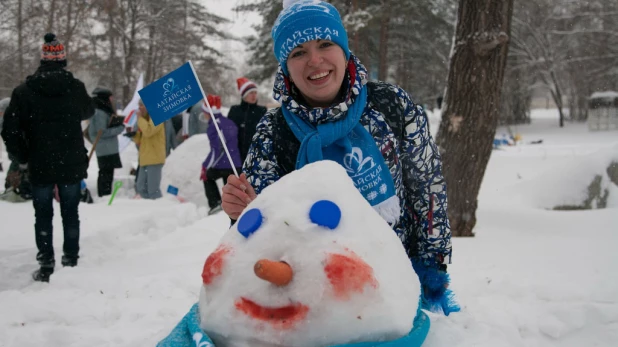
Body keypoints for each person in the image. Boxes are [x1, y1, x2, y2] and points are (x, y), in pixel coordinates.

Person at [221, 0, 458, 315]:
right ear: (286, 66)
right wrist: (241, 211)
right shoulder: (272, 130)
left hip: (392, 286)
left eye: (325, 44)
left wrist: (433, 269)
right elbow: (264, 229)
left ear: (343, 49)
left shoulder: (390, 105)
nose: (315, 61)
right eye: (298, 52)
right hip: (313, 299)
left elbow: (427, 192)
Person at [1, 33, 94, 282]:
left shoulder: (24, 91)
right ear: (62, 59)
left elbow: (9, 129)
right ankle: (71, 260)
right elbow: (88, 110)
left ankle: (46, 263)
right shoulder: (74, 88)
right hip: (71, 161)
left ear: (42, 59)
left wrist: (21, 156)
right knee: (70, 212)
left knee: (42, 214)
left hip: (40, 162)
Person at [200, 94, 242, 215]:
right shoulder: (229, 122)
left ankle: (216, 204)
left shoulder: (214, 126)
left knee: (207, 177)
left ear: (208, 112)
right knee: (228, 183)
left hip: (223, 163)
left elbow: (216, 150)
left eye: (204, 112)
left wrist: (205, 166)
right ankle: (230, 206)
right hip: (235, 163)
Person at [88, 87, 124, 197]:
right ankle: (104, 195)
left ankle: (105, 194)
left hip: (107, 147)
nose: (112, 100)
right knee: (106, 173)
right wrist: (119, 128)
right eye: (110, 97)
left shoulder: (101, 110)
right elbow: (101, 132)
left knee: (107, 173)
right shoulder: (100, 112)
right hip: (105, 148)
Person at [228, 77, 267, 163]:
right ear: (244, 95)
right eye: (251, 93)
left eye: (255, 92)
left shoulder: (262, 110)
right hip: (237, 154)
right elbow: (229, 132)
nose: (254, 95)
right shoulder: (235, 110)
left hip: (256, 155)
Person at [132, 99, 165, 199]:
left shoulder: (157, 117)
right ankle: (147, 208)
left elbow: (149, 131)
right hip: (145, 158)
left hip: (154, 158)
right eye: (139, 105)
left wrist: (140, 119)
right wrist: (133, 134)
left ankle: (159, 208)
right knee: (141, 187)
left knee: (153, 190)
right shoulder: (144, 119)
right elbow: (140, 139)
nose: (140, 108)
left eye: (142, 105)